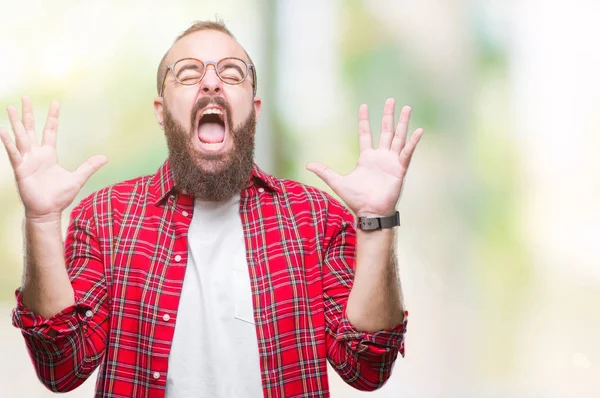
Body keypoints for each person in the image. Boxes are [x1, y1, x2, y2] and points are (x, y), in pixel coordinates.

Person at [1, 20, 423, 398]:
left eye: (232, 73)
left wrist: (378, 221)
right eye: (187, 73)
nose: (211, 83)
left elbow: (368, 368)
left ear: (253, 111)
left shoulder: (314, 217)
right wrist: (41, 220)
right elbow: (62, 368)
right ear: (162, 112)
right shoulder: (106, 217)